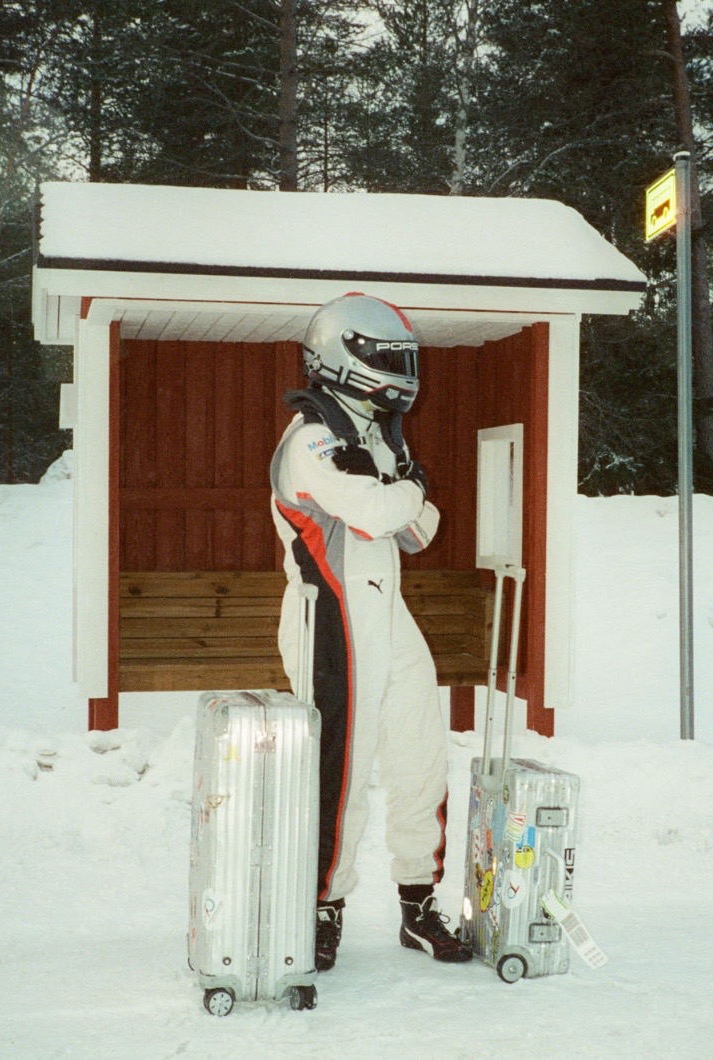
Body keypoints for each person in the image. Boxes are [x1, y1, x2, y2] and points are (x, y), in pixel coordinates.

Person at [270, 292, 472, 971]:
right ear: (343, 357)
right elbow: (382, 511)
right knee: (341, 773)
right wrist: (408, 492)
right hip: (331, 615)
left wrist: (404, 496)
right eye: (386, 358)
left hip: (387, 609)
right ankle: (320, 908)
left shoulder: (376, 435)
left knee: (421, 756)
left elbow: (417, 530)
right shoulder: (311, 438)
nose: (397, 372)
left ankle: (418, 904)